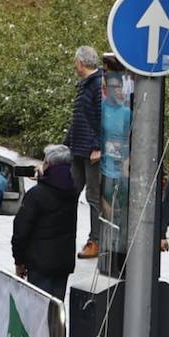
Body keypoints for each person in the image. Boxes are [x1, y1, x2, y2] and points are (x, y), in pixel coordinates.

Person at [12, 145, 78, 301]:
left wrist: (19, 260)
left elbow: (21, 230)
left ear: (48, 164)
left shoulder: (37, 194)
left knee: (39, 310)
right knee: (56, 308)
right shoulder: (73, 191)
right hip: (64, 261)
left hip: (39, 262)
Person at [66, 46, 103, 259]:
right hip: (78, 149)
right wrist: (64, 145)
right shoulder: (85, 85)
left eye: (75, 62)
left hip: (91, 151)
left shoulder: (98, 84)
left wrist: (99, 146)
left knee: (93, 196)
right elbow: (78, 120)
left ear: (81, 62)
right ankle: (65, 235)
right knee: (70, 191)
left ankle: (95, 240)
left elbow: (103, 117)